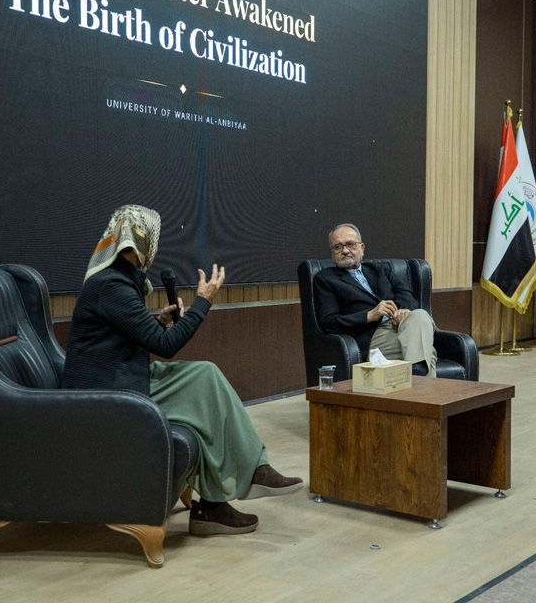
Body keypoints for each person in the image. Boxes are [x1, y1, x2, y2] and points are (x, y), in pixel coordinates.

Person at [61, 204, 302, 536]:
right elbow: (166, 346)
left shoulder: (114, 280)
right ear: (142, 242)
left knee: (206, 377)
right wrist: (203, 301)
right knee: (204, 387)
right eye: (155, 239)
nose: (157, 247)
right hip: (108, 390)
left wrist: (159, 321)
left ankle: (216, 504)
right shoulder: (112, 286)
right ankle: (244, 478)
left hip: (124, 375)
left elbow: (126, 335)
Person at [313, 223, 437, 377]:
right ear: (333, 253)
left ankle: (416, 375)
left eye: (350, 244)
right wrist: (369, 315)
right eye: (338, 247)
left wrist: (400, 311)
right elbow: (329, 322)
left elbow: (406, 294)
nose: (345, 250)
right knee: (427, 351)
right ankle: (418, 377)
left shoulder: (381, 269)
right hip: (371, 337)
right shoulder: (325, 279)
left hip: (402, 325)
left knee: (419, 315)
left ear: (362, 247)